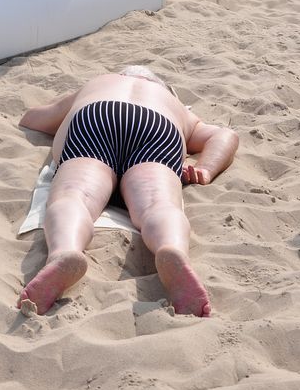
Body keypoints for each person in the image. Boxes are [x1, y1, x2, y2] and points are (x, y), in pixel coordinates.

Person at [17, 65, 239, 318]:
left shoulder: (101, 83)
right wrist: (206, 169)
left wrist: (66, 105)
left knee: (74, 195)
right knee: (159, 205)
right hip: (157, 125)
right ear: (163, 87)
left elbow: (33, 118)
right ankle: (171, 248)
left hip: (98, 116)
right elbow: (226, 134)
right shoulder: (174, 105)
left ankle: (65, 251)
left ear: (123, 76)